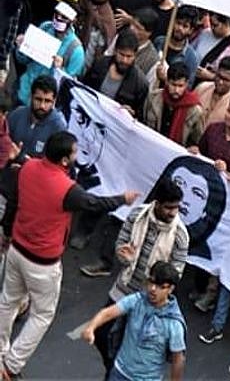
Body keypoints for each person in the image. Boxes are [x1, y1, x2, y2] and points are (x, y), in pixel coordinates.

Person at [0, 131, 139, 379]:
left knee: (8, 301)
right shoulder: (67, 189)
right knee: (42, 315)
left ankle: (1, 352)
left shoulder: (28, 167)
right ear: (65, 160)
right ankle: (11, 365)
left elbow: (14, 201)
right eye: (74, 152)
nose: (77, 155)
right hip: (42, 263)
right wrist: (123, 199)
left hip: (16, 250)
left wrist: (7, 231)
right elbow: (94, 204)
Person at [81, 180, 189, 373]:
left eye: (177, 208)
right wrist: (124, 256)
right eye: (168, 207)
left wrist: (157, 280)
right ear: (157, 203)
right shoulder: (137, 216)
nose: (173, 212)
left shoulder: (180, 235)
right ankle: (113, 368)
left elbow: (176, 273)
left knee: (130, 343)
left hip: (149, 300)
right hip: (125, 287)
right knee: (103, 334)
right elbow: (121, 243)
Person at [80, 261, 186, 381]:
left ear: (170, 289)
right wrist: (91, 328)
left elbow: (178, 359)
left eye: (160, 286)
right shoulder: (137, 300)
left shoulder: (174, 324)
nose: (152, 289)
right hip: (119, 372)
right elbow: (108, 313)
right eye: (151, 282)